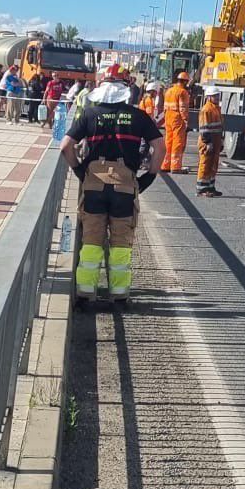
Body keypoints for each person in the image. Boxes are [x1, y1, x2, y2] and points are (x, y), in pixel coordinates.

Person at [60, 62, 164, 306]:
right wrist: (148, 176)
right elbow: (159, 147)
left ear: (101, 87)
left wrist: (79, 170)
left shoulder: (89, 114)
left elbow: (66, 146)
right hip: (124, 185)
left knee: (92, 241)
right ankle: (119, 295)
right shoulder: (138, 116)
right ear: (124, 88)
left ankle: (85, 294)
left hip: (94, 183)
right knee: (120, 245)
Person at [195, 85, 225, 196]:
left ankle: (210, 187)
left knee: (213, 165)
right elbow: (204, 128)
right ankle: (201, 189)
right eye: (214, 96)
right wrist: (208, 143)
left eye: (217, 96)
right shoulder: (206, 109)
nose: (217, 98)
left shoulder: (216, 108)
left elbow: (220, 126)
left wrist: (221, 140)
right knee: (205, 164)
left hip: (216, 141)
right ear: (209, 97)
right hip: (208, 141)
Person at [162, 70, 191, 173]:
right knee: (177, 142)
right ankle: (175, 166)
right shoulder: (183, 92)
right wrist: (186, 120)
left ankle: (165, 165)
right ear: (184, 81)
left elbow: (164, 106)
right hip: (177, 118)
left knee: (168, 141)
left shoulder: (169, 91)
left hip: (168, 117)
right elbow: (183, 108)